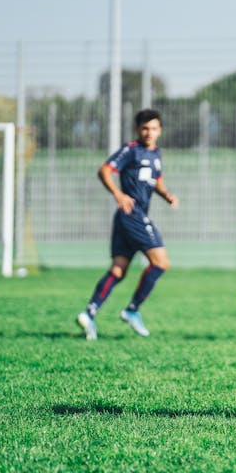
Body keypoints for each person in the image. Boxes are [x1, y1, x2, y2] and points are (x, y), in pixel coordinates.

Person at [75, 108, 179, 340]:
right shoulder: (130, 151)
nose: (149, 133)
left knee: (118, 270)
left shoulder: (156, 155)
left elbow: (157, 182)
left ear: (159, 130)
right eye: (144, 128)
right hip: (133, 214)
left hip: (127, 218)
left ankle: (89, 312)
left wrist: (166, 195)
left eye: (153, 128)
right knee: (161, 263)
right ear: (137, 130)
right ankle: (132, 310)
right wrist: (118, 194)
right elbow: (104, 170)